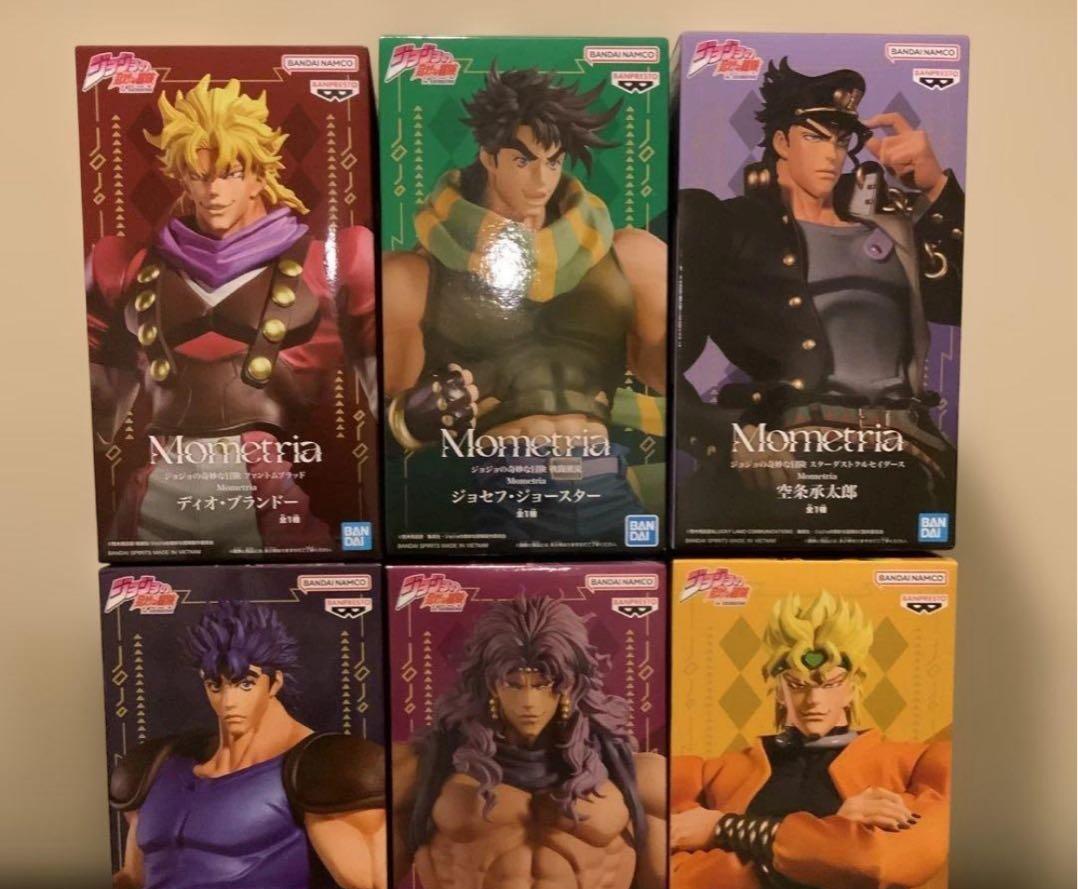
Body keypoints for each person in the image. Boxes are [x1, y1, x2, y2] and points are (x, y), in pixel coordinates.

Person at [87, 75, 376, 553]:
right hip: (158, 497)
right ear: (182, 177)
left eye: (231, 173)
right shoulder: (127, 267)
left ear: (260, 176)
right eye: (198, 175)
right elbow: (97, 424)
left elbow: (387, 403)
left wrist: (417, 413)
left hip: (278, 499)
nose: (214, 191)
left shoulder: (333, 262)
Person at [677, 58, 964, 536]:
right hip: (795, 450)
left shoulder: (892, 225)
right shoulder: (726, 225)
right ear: (781, 142)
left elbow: (958, 303)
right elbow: (651, 360)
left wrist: (936, 189)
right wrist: (728, 434)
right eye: (814, 137)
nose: (831, 154)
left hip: (909, 451)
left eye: (840, 140)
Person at [383, 66, 667, 544]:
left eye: (553, 162)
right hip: (502, 486)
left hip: (605, 481)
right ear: (488, 156)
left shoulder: (629, 255)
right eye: (523, 160)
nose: (541, 180)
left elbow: (666, 378)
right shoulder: (414, 273)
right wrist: (409, 419)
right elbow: (378, 428)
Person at [670, 590, 950, 889]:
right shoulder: (718, 772)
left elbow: (874, 862)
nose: (813, 700)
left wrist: (726, 828)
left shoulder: (916, 765)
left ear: (854, 684)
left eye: (830, 683)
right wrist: (836, 832)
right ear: (777, 687)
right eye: (797, 685)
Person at [393, 595, 666, 889]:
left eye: (544, 684)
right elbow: (368, 882)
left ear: (571, 685)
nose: (529, 701)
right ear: (489, 686)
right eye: (514, 684)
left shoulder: (632, 774)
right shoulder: (428, 769)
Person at [110, 601, 386, 889]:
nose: (229, 702)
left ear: (275, 682)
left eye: (245, 683)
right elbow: (132, 883)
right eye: (216, 685)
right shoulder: (157, 765)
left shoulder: (320, 766)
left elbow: (377, 885)